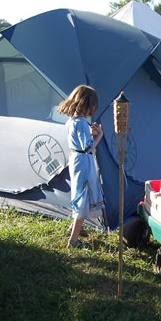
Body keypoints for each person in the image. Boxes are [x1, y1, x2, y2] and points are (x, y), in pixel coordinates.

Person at [57, 84, 104, 248]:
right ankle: (73, 240)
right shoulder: (82, 123)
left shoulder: (72, 121)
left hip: (76, 159)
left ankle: (74, 227)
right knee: (83, 195)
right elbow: (88, 147)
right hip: (83, 161)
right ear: (87, 104)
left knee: (79, 192)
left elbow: (80, 141)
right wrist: (99, 136)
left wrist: (89, 134)